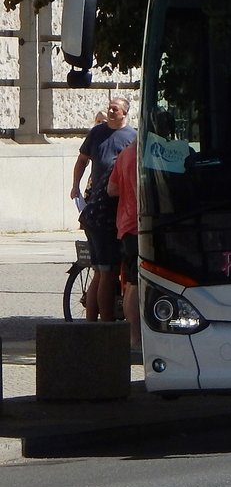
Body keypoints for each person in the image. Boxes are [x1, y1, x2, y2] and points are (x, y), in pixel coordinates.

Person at [70, 97, 135, 322]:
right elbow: (82, 160)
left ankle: (92, 324)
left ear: (125, 112)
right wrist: (75, 186)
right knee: (106, 271)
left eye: (115, 109)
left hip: (107, 212)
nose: (110, 111)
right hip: (104, 211)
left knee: (101, 270)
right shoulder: (97, 133)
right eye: (109, 108)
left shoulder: (131, 138)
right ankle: (105, 327)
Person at [107, 140, 141, 357]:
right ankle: (135, 337)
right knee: (136, 282)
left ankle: (133, 336)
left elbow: (112, 189)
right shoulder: (142, 155)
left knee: (130, 282)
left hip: (125, 225)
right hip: (139, 226)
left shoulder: (125, 154)